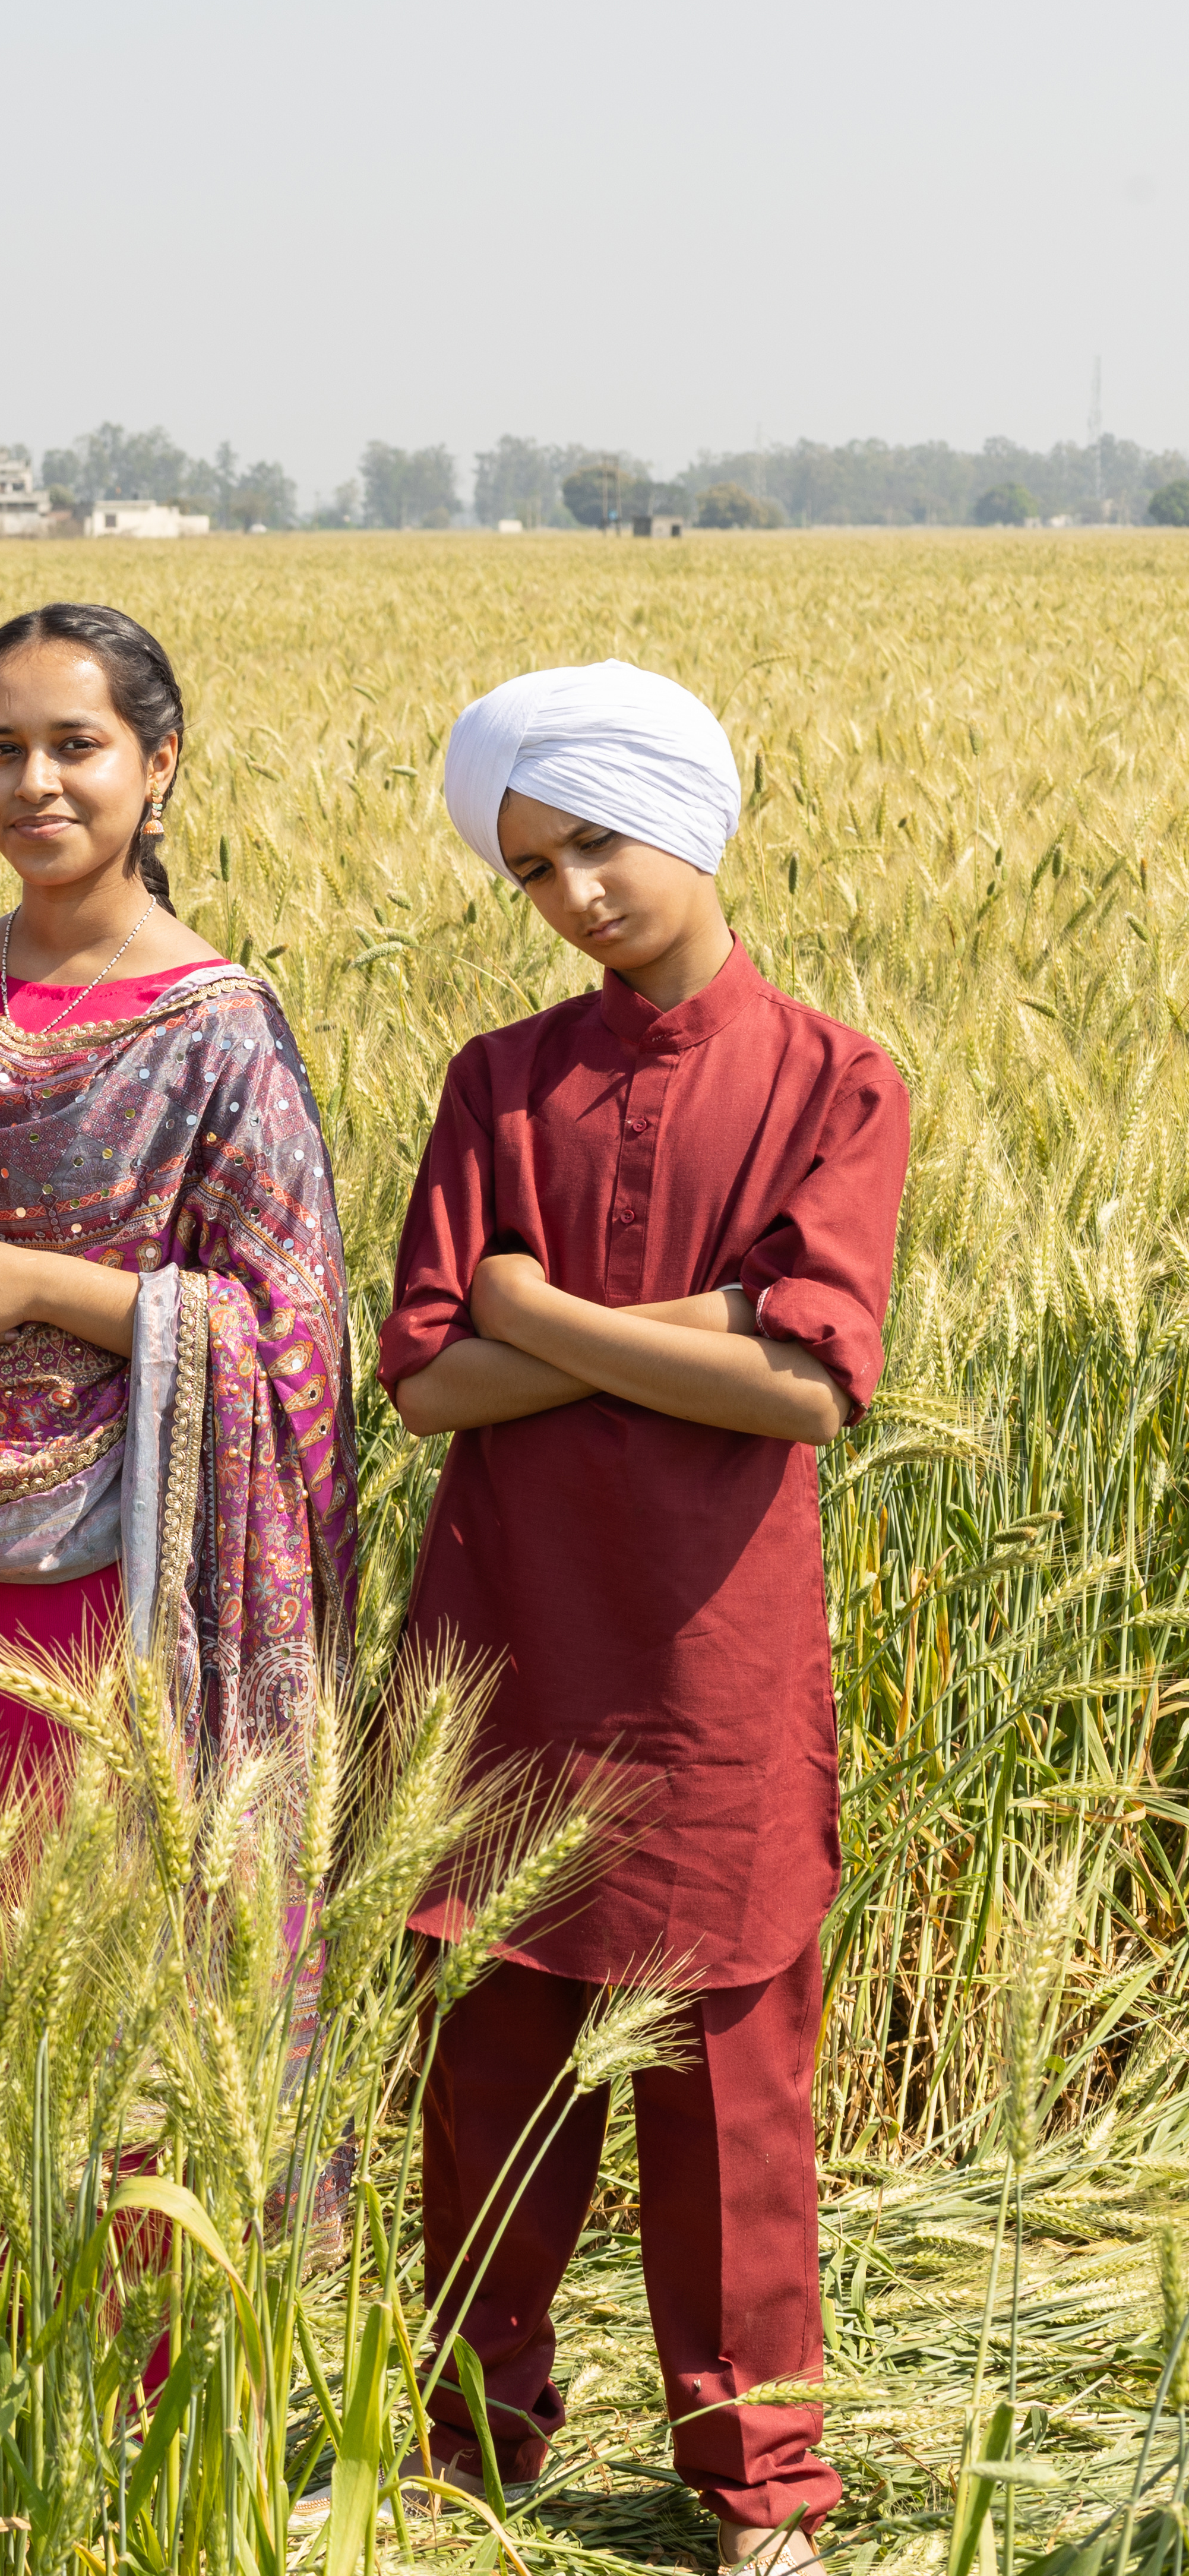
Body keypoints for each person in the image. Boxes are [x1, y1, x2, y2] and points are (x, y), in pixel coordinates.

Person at [386, 661, 905, 2572]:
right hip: (513, 1645)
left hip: (713, 1662)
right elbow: (421, 1383)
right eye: (533, 870)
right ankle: (469, 2438)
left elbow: (812, 1387)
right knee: (491, 2070)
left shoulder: (841, 1077)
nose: (576, 894)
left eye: (596, 844)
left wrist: (539, 1314)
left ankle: (761, 2483)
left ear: (684, 818)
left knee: (732, 2095)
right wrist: (705, 1323)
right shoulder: (497, 1079)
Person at [0, 605, 352, 1790]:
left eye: (77, 745)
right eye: (0, 748)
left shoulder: (222, 1028)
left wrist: (32, 1284)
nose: (36, 784)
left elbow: (290, 1339)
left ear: (159, 759)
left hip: (133, 1565)